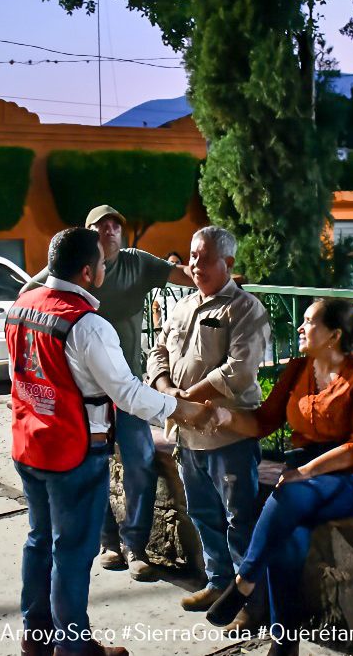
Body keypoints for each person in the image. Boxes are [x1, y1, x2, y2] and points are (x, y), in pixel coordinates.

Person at [7, 227, 208, 656]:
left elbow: (20, 377)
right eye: (101, 262)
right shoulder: (87, 325)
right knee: (73, 553)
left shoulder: (21, 306)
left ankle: (35, 635)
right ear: (88, 272)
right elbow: (127, 393)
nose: (106, 266)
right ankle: (74, 648)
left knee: (39, 540)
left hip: (27, 444)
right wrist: (182, 410)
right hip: (73, 452)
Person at [202, 298, 353, 656]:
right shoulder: (299, 368)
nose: (300, 328)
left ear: (334, 335)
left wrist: (305, 471)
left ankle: (244, 582)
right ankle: (284, 644)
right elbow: (263, 420)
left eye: (309, 322)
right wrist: (225, 418)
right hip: (308, 476)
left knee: (288, 494)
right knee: (287, 541)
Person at [23, 205, 196, 581]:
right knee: (93, 464)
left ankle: (136, 546)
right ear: (88, 241)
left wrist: (215, 276)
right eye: (102, 226)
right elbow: (30, 289)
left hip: (127, 384)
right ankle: (108, 542)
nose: (112, 230)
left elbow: (181, 275)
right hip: (84, 392)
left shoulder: (137, 263)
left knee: (140, 462)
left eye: (117, 224)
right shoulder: (75, 275)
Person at [146, 227, 271, 629]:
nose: (193, 265)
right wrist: (166, 390)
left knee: (240, 520)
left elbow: (238, 370)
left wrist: (189, 396)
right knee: (202, 514)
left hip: (227, 435)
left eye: (203, 257)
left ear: (228, 264)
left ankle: (252, 602)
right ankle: (218, 583)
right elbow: (158, 350)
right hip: (186, 435)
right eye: (191, 256)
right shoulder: (182, 306)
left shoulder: (245, 309)